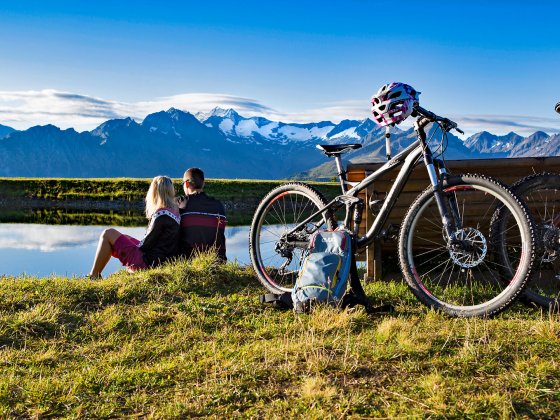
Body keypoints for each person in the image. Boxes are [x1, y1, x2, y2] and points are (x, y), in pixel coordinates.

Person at [89, 175, 180, 278]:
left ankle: (94, 275)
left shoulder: (160, 214)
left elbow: (145, 246)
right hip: (161, 261)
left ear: (154, 191)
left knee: (108, 233)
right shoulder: (175, 212)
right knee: (126, 237)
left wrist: (126, 248)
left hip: (148, 264)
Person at [177, 167, 227, 261]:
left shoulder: (180, 203)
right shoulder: (218, 205)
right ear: (203, 184)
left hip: (188, 261)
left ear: (186, 183)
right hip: (218, 260)